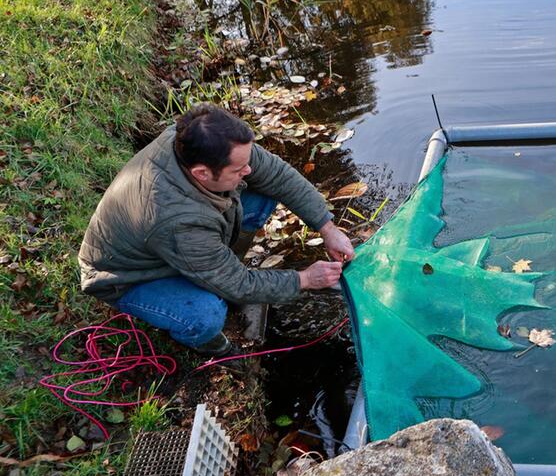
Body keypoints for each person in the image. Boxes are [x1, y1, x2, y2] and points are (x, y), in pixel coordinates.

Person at [78, 103, 354, 356]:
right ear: (202, 174)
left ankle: (217, 269)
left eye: (248, 161)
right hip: (128, 277)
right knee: (205, 314)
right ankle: (216, 348)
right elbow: (239, 285)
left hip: (173, 245)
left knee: (262, 195)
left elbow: (277, 176)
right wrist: (304, 279)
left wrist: (326, 227)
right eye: (238, 169)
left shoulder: (200, 143)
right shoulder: (177, 221)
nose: (248, 170)